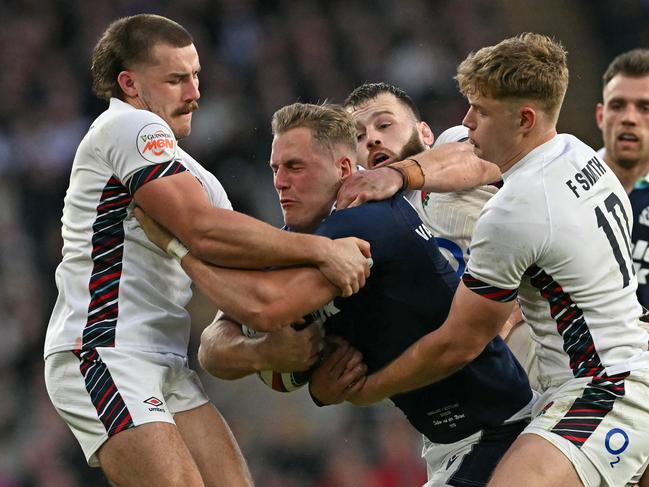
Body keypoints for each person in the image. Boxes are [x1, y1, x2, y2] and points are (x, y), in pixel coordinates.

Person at [42, 14, 374, 487]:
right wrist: (322, 250)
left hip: (166, 360)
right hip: (105, 349)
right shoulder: (128, 126)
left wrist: (270, 339)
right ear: (129, 83)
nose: (194, 92)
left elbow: (233, 276)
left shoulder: (193, 173)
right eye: (176, 79)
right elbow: (204, 230)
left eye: (195, 75)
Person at [136, 102, 535, 487]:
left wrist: (180, 247)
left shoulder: (368, 218)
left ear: (344, 168)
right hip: (452, 440)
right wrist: (263, 353)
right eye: (275, 169)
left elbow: (266, 306)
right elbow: (212, 348)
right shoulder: (298, 242)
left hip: (502, 430)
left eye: (295, 166)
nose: (280, 181)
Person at [338, 33, 649, 487]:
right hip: (607, 372)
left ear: (524, 119)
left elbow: (459, 343)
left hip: (603, 389)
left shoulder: (515, 209)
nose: (468, 122)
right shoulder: (578, 153)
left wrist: (369, 388)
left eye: (480, 111)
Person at [341, 82, 537, 384]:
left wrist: (397, 174)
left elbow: (482, 161)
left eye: (384, 124)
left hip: (537, 348)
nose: (372, 139)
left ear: (425, 133)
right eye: (358, 136)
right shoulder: (368, 230)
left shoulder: (452, 144)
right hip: (468, 386)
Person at [596, 48, 649, 309]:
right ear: (601, 115)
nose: (629, 119)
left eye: (644, 108)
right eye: (617, 106)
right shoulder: (563, 187)